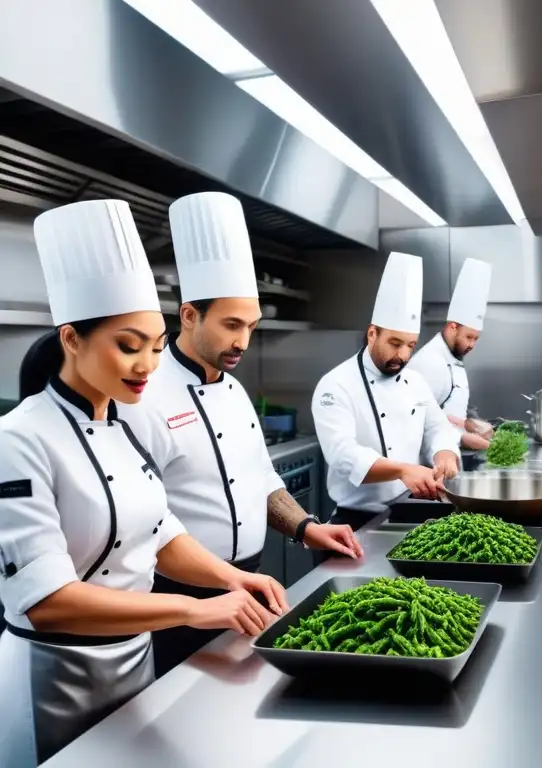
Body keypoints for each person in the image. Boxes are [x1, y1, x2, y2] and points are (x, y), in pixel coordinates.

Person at [0, 200, 286, 767]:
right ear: (72, 339)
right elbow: (47, 602)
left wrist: (234, 580)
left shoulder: (120, 424)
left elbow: (157, 532)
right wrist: (189, 610)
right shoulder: (19, 438)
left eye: (155, 346)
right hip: (53, 677)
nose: (148, 365)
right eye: (128, 346)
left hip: (134, 662)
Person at [117, 192, 362, 678]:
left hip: (248, 582)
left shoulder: (232, 389)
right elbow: (141, 518)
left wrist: (307, 527)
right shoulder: (139, 396)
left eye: (251, 325)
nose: (243, 342)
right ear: (189, 315)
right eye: (231, 325)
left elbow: (260, 478)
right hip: (176, 599)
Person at [311, 251, 461, 531]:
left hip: (409, 511)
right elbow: (342, 455)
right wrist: (403, 470)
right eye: (395, 343)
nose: (403, 355)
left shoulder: (414, 380)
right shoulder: (335, 385)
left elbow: (437, 428)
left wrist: (444, 453)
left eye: (410, 345)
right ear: (372, 334)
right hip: (355, 522)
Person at [408, 257, 493, 450]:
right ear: (453, 327)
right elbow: (417, 420)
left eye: (476, 339)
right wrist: (461, 438)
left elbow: (448, 409)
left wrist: (471, 424)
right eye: (469, 337)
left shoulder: (453, 356)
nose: (472, 345)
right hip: (429, 464)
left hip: (451, 458)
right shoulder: (430, 362)